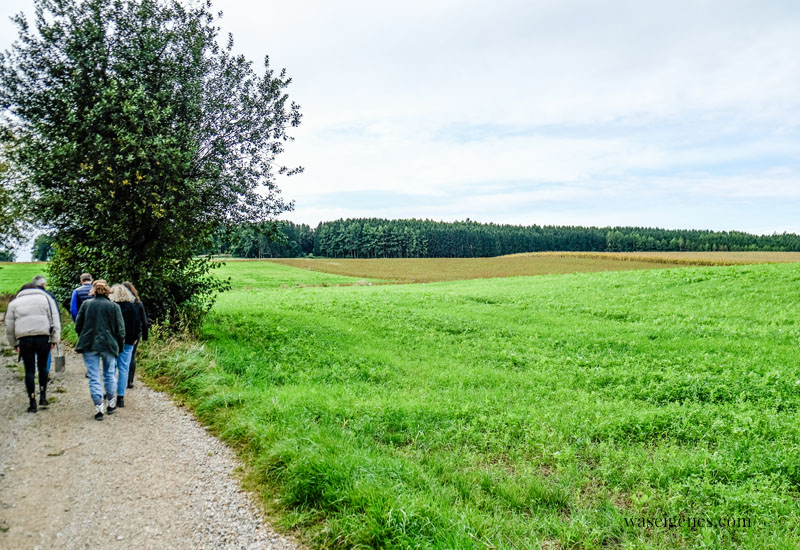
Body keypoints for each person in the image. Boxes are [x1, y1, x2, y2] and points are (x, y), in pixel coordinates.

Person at [5, 282, 61, 413]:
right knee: (42, 367)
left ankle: (32, 401)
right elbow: (55, 319)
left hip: (25, 338)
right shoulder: (47, 299)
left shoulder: (14, 303)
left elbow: (9, 326)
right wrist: (55, 339)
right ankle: (43, 395)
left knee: (29, 370)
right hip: (43, 336)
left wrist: (14, 343)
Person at [75, 280, 125, 421]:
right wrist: (119, 346)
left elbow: (78, 325)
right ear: (107, 290)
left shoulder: (86, 305)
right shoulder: (114, 307)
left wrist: (84, 335)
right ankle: (110, 401)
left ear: (93, 290)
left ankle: (98, 407)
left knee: (94, 376)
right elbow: (120, 330)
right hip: (109, 344)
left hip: (89, 344)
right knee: (109, 373)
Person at [109, 284, 141, 408]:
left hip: (113, 341)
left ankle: (110, 392)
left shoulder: (111, 307)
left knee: (111, 367)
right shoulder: (133, 307)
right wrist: (135, 338)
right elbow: (137, 323)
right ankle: (121, 397)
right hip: (128, 341)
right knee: (124, 368)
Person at [122, 281, 148, 389]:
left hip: (121, 332)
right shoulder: (138, 303)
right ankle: (130, 381)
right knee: (131, 355)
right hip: (135, 333)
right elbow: (144, 321)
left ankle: (120, 379)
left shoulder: (118, 303)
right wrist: (145, 336)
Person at [31, 275, 58, 375]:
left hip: (31, 327)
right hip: (46, 328)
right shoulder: (49, 295)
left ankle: (34, 370)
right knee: (46, 350)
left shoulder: (27, 296)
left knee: (32, 349)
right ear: (43, 284)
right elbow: (55, 314)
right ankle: (45, 371)